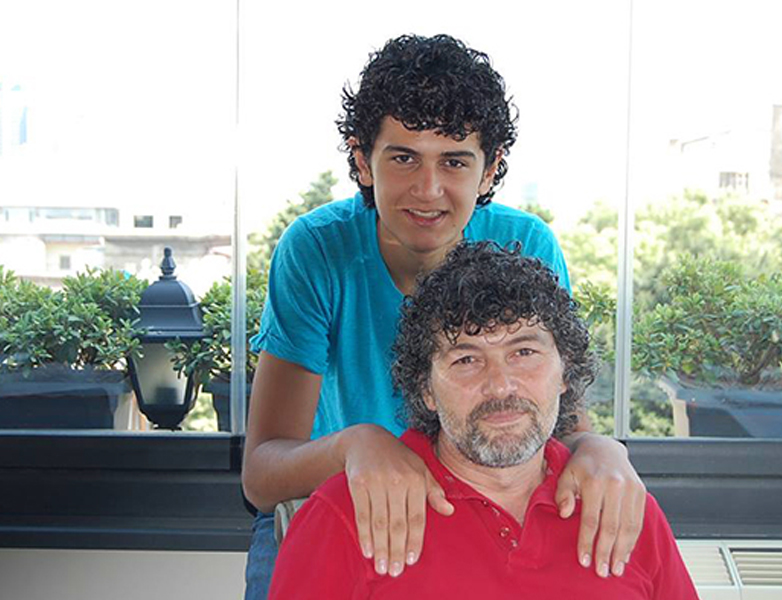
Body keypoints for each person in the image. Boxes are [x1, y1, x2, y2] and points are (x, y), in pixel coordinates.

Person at [243, 34, 646, 597]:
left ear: (490, 168)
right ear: (362, 161)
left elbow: (555, 421)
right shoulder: (317, 250)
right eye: (403, 157)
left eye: (454, 161)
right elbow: (262, 476)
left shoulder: (527, 245)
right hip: (338, 496)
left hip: (479, 495)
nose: (428, 189)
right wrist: (356, 445)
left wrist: (599, 447)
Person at [268, 241, 699, 599]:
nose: (500, 386)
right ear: (425, 389)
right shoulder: (344, 515)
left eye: (524, 352)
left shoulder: (620, 505)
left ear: (565, 372)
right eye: (467, 360)